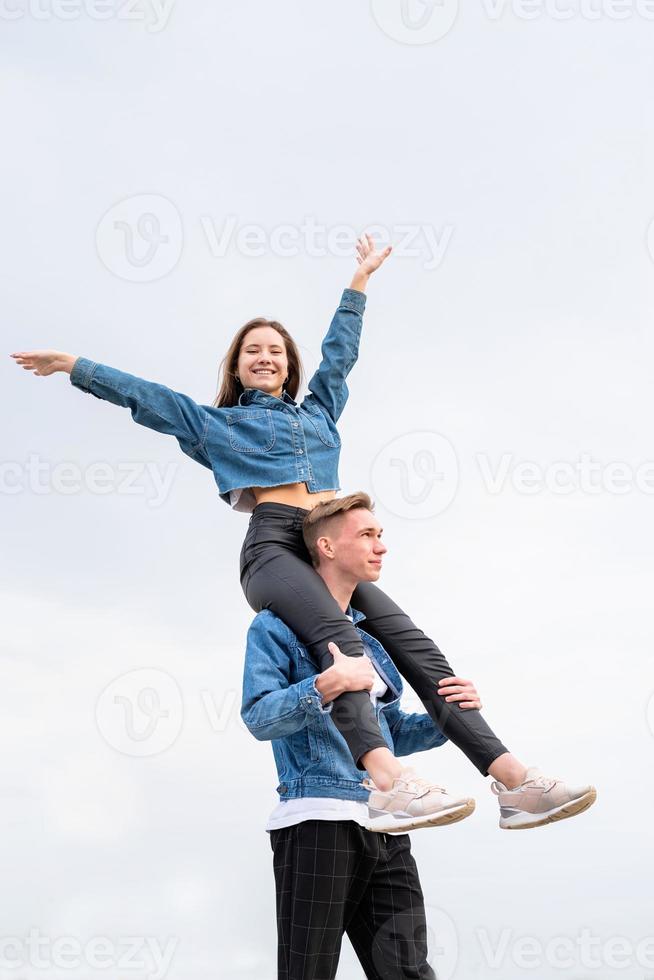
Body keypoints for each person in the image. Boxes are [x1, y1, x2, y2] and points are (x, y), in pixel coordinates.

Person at [9, 234, 597, 827]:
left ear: (290, 365)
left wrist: (358, 284)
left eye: (275, 351)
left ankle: (514, 780)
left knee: (412, 642)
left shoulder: (318, 414)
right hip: (274, 549)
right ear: (237, 367)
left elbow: (340, 356)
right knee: (337, 639)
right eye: (252, 352)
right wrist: (73, 366)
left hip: (328, 543)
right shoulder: (217, 424)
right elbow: (150, 399)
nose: (265, 357)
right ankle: (386, 780)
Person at [240, 492, 595, 979]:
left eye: (381, 535)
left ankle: (518, 785)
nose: (380, 546)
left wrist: (448, 716)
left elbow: (395, 731)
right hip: (317, 820)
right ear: (324, 546)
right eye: (366, 535)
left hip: (388, 824)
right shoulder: (274, 627)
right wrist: (325, 685)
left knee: (408, 972)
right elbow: (259, 717)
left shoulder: (370, 638)